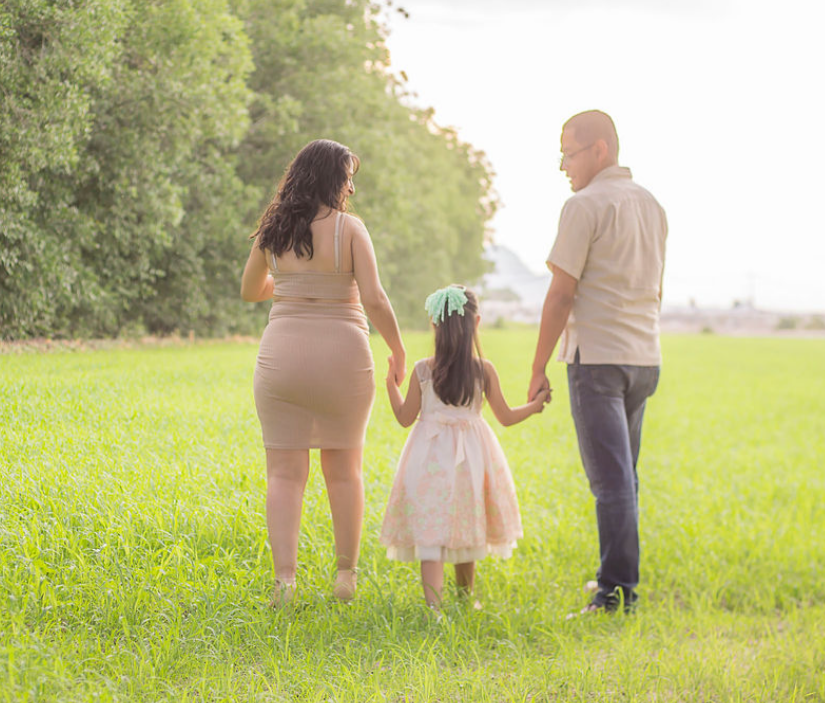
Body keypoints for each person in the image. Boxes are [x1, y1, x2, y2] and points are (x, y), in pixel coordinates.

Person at [241, 139, 407, 607]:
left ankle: (285, 582)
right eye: (348, 176)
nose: (352, 185)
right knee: (344, 469)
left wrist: (290, 284)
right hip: (344, 356)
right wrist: (397, 348)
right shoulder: (350, 230)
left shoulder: (272, 230)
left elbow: (251, 290)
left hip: (283, 356)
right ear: (332, 179)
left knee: (284, 474)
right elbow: (374, 298)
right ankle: (345, 577)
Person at [528, 110, 667, 614]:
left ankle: (615, 593)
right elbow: (656, 287)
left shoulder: (583, 206)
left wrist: (538, 365)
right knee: (624, 478)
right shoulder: (652, 205)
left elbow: (561, 293)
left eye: (568, 153)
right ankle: (618, 580)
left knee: (611, 483)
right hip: (644, 358)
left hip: (598, 360)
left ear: (599, 151)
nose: (563, 166)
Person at [382, 285, 548, 609]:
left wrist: (391, 384)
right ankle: (465, 599)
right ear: (476, 323)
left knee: (431, 529)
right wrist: (536, 405)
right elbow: (506, 416)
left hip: (427, 458)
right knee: (466, 523)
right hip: (469, 460)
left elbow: (404, 418)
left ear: (435, 326)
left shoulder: (422, 370)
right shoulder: (483, 370)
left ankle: (434, 609)